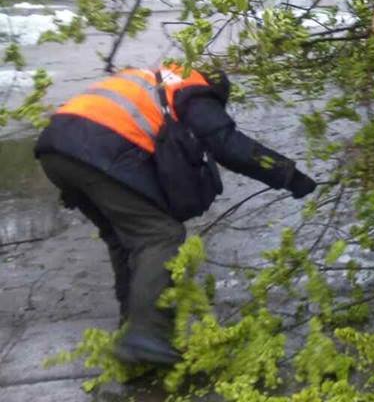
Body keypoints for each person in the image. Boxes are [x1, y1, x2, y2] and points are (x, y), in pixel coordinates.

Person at [34, 63, 317, 365]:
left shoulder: (158, 80)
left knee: (123, 237)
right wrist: (289, 175)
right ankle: (146, 335)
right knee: (160, 235)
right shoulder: (194, 91)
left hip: (56, 149)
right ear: (216, 92)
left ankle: (132, 326)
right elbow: (229, 145)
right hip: (96, 148)